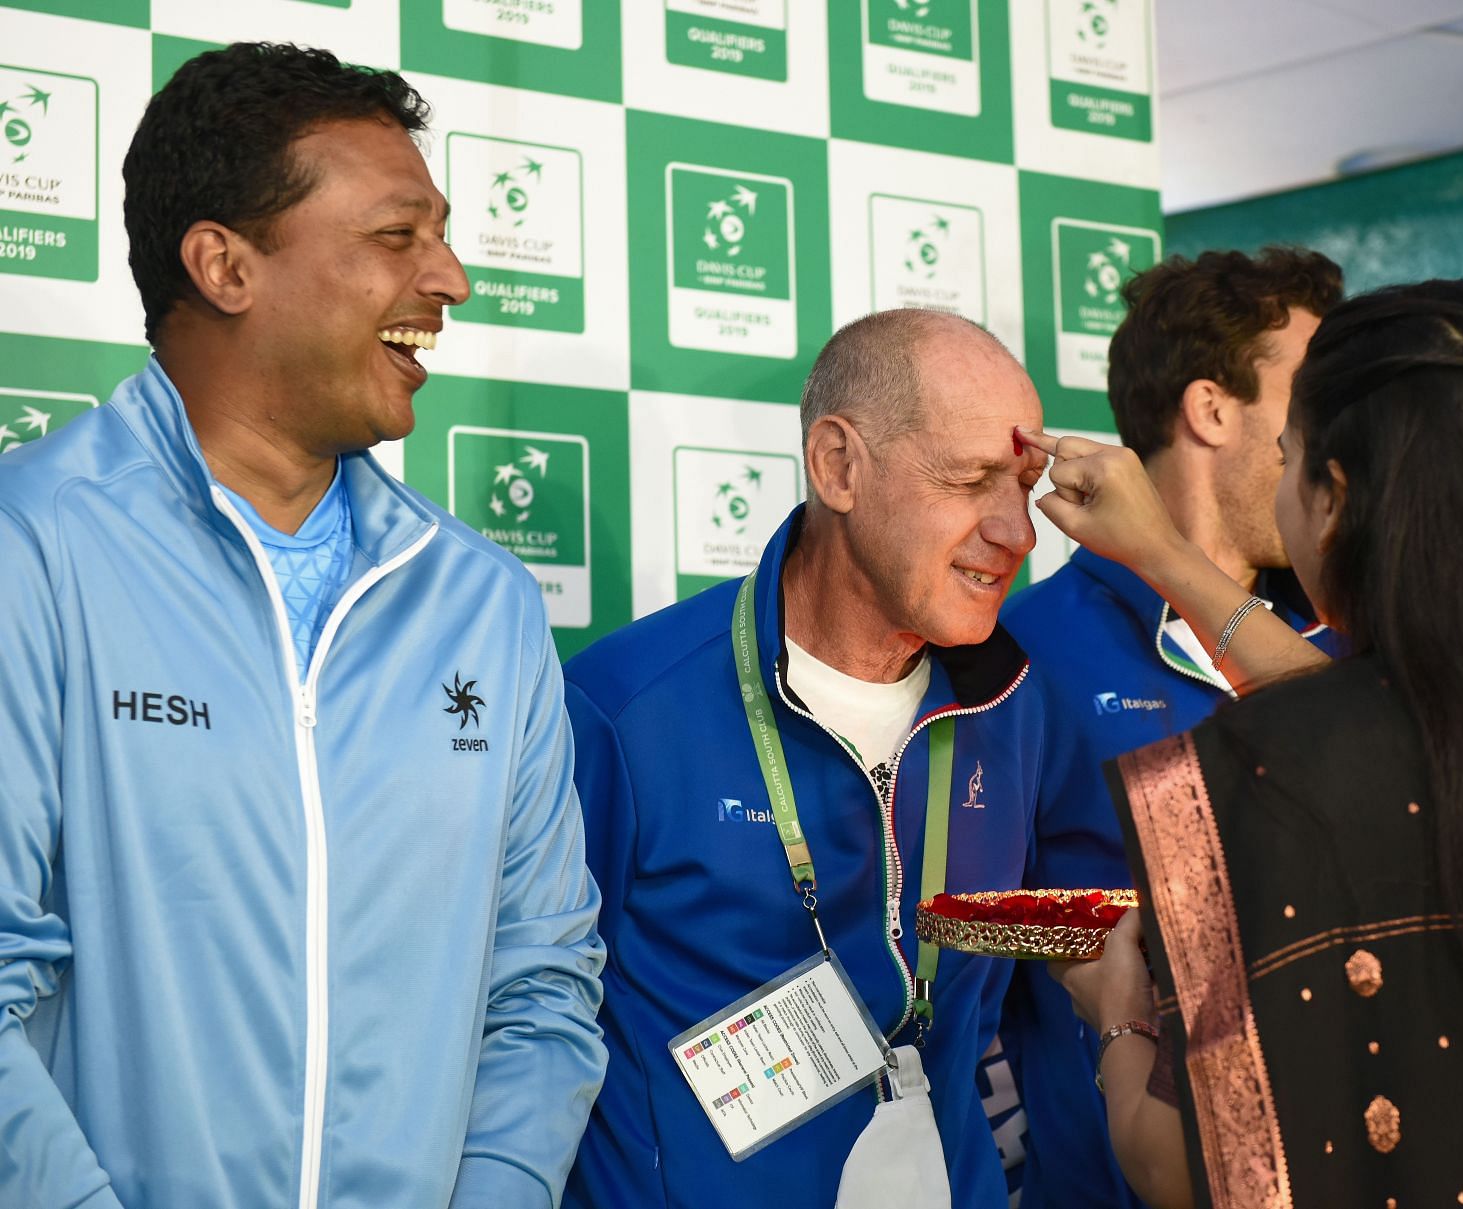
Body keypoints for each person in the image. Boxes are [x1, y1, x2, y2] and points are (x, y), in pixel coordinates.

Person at [0, 43, 607, 1209]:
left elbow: (539, 988)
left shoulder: (482, 599)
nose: (453, 278)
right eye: (397, 236)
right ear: (224, 265)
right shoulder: (35, 546)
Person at [1027, 282, 1463, 1208]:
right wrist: (1165, 555)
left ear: (1335, 495)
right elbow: (1413, 727)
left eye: (1289, 457)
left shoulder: (1251, 768)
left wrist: (1116, 1011)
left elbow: (1185, 1169)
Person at [563, 309, 1052, 1209]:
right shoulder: (623, 708)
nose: (1016, 531)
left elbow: (984, 969)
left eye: (1024, 483)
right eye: (971, 478)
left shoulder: (1012, 702)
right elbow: (530, 1013)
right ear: (838, 467)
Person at [994, 245, 1343, 1209]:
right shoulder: (1020, 651)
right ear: (1212, 409)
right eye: (1308, 400)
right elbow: (950, 909)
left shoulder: (1339, 649)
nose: (1333, 436)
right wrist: (1106, 928)